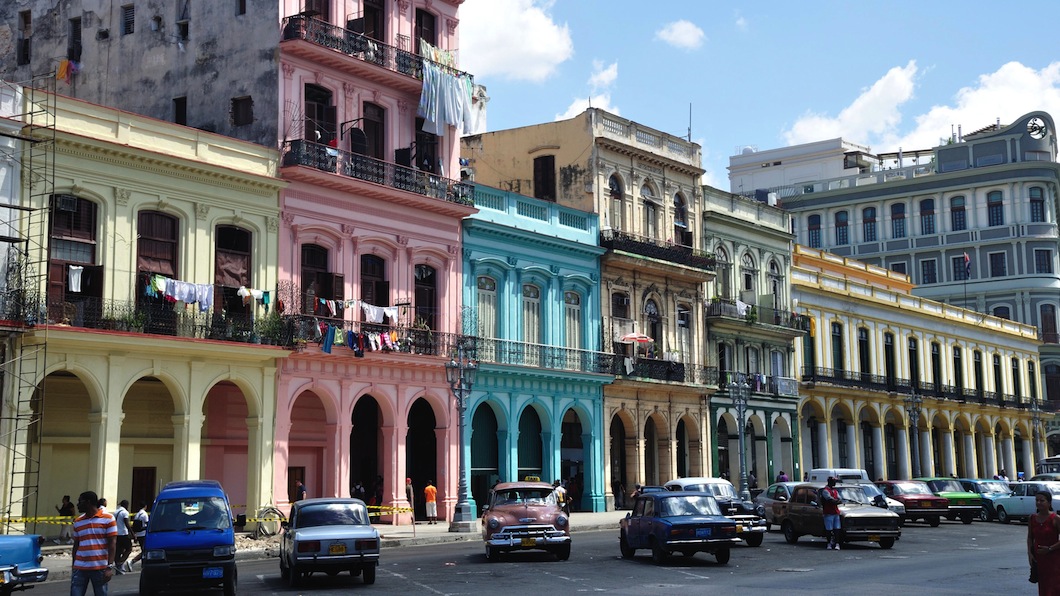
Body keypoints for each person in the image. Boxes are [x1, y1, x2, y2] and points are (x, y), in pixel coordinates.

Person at [70, 490, 117, 596]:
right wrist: (74, 565)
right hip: (80, 568)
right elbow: (76, 545)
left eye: (80, 501)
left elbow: (112, 544)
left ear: (88, 502)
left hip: (99, 568)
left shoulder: (108, 519)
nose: (77, 505)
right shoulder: (78, 521)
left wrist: (109, 567)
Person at [1028, 489, 1060, 594]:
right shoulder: (1032, 518)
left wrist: (1050, 549)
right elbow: (1030, 537)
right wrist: (1030, 554)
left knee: (1054, 586)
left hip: (1054, 559)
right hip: (1039, 559)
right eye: (1037, 500)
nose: (1038, 503)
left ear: (1049, 503)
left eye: (1042, 501)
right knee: (1043, 586)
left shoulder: (1055, 519)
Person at [819, 477, 842, 550]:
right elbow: (830, 500)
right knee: (829, 529)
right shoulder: (825, 491)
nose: (835, 483)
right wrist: (836, 501)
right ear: (830, 482)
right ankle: (829, 543)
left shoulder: (835, 490)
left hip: (835, 512)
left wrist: (836, 501)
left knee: (837, 529)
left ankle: (837, 543)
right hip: (828, 512)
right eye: (834, 481)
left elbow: (840, 499)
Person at [126, 502, 149, 572]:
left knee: (144, 550)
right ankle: (132, 561)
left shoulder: (137, 514)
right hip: (143, 534)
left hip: (138, 534)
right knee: (145, 550)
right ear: (145, 506)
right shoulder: (144, 514)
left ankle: (143, 564)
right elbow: (147, 524)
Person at [112, 500, 133, 575]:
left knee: (118, 551)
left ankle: (118, 567)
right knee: (129, 548)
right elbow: (127, 523)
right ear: (126, 505)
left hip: (116, 533)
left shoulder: (115, 512)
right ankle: (120, 563)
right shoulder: (125, 512)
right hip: (123, 534)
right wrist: (132, 533)